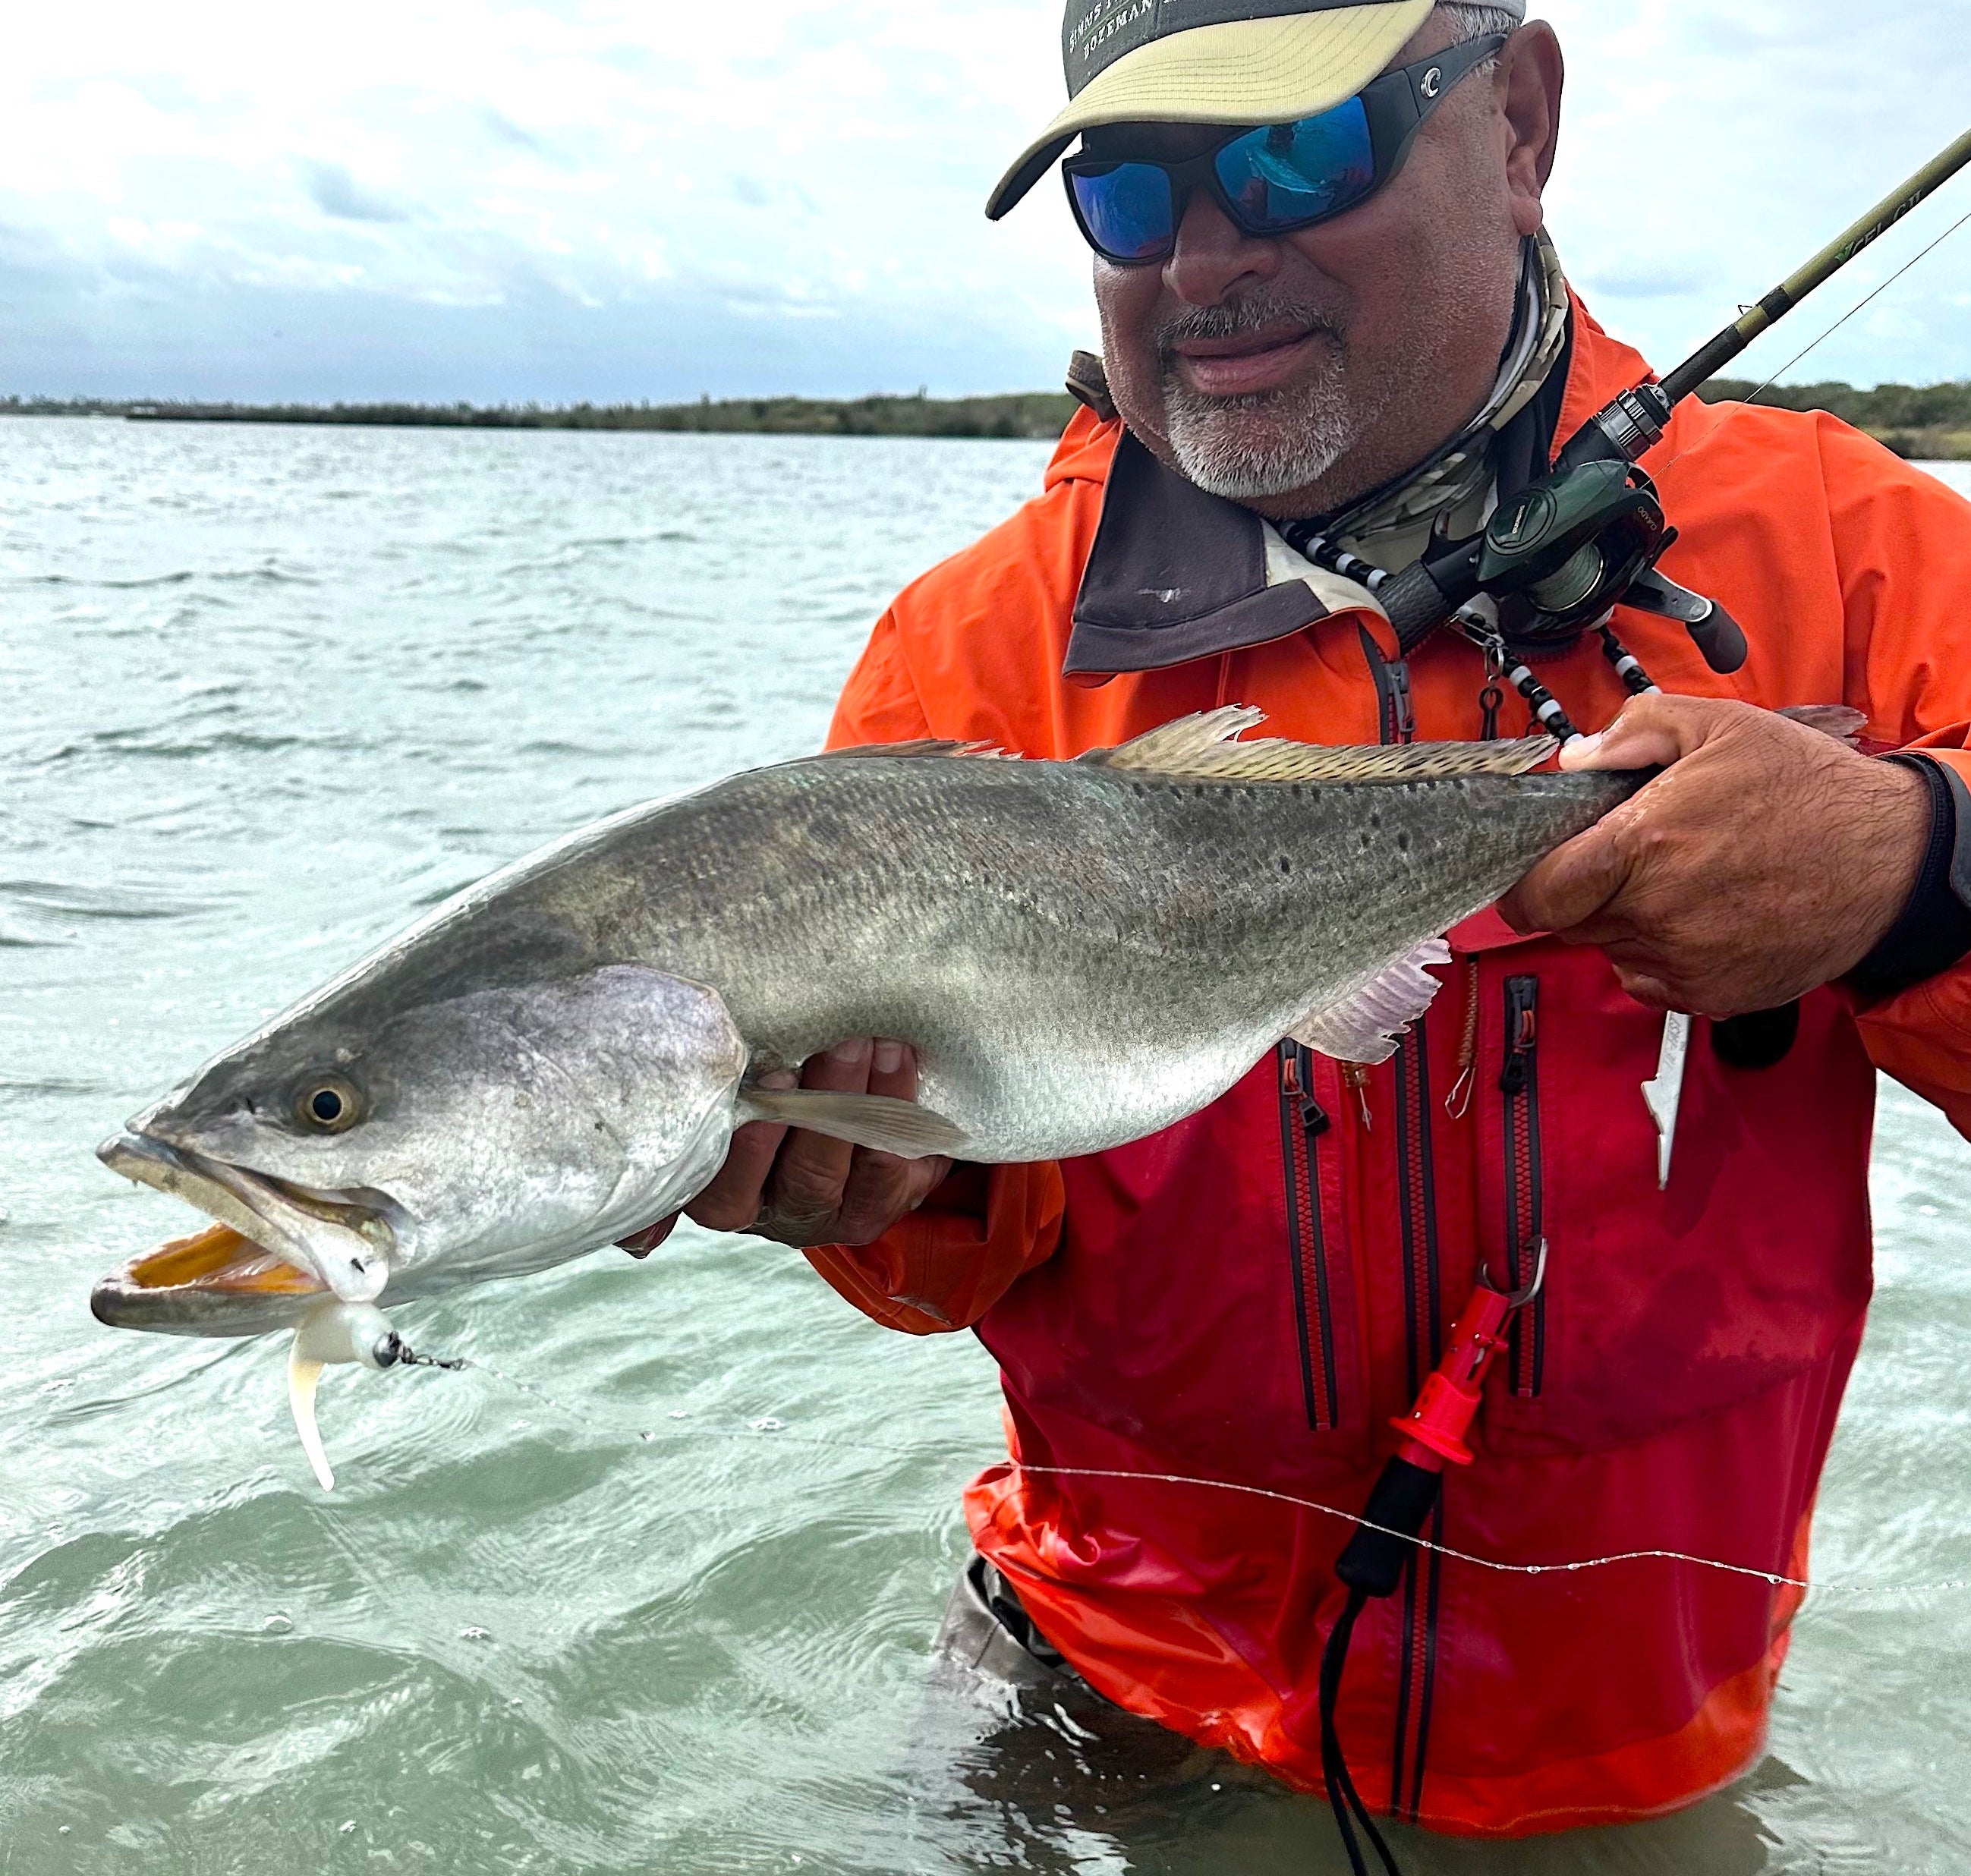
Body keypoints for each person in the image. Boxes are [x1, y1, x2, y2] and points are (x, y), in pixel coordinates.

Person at [621, 0, 1971, 1840]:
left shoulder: (1852, 550)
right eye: (1130, 187)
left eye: (1292, 153)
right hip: (1092, 1681)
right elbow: (966, 1249)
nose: (1205, 258)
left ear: (1515, 123)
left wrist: (1918, 866)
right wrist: (886, 1191)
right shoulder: (969, 658)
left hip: (1624, 1753)